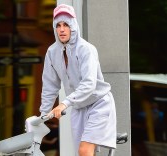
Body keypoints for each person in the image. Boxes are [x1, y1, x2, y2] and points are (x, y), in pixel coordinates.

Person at [39, 4, 117, 156]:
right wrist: (43, 115)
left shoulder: (86, 49)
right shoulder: (52, 52)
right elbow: (50, 85)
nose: (62, 29)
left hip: (99, 104)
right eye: (58, 25)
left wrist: (64, 104)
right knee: (80, 153)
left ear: (73, 26)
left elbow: (89, 84)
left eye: (66, 25)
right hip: (79, 107)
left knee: (84, 151)